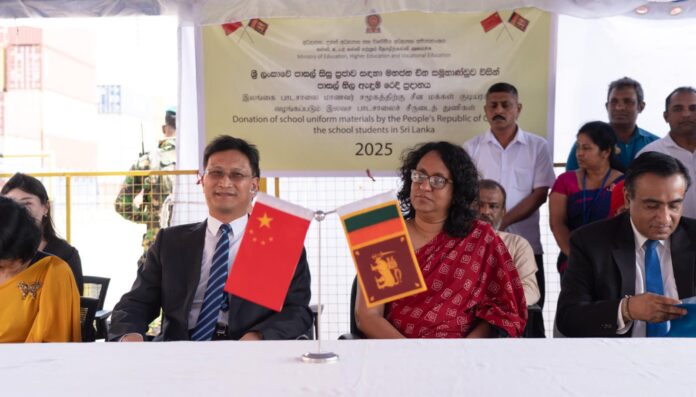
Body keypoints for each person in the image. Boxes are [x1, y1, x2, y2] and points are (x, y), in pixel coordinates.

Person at [109, 135, 312, 341]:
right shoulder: (170, 242)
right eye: (215, 173)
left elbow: (297, 311)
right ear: (202, 180)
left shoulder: (279, 243)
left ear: (254, 185)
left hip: (248, 355)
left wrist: (258, 337)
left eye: (237, 175)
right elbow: (135, 303)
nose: (225, 182)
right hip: (180, 353)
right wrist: (129, 335)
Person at [355, 142, 527, 338]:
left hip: (464, 357)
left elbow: (500, 310)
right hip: (399, 354)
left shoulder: (479, 237)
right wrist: (413, 355)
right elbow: (368, 316)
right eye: (419, 176)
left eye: (438, 180)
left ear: (457, 191)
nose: (424, 186)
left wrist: (465, 351)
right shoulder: (386, 235)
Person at [557, 152, 693, 337]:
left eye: (674, 206)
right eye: (652, 206)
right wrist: (626, 310)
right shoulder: (590, 242)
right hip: (617, 358)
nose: (664, 218)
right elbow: (569, 318)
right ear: (628, 198)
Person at [464, 82, 556, 310]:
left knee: (530, 311)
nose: (499, 111)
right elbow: (466, 196)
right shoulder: (471, 148)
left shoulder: (537, 146)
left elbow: (540, 194)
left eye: (506, 105)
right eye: (493, 106)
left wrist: (500, 223)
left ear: (518, 108)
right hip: (478, 250)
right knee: (479, 309)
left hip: (527, 246)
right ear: (485, 111)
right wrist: (488, 226)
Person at [0, 196, 81, 342]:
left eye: (9, 262)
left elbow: (47, 342)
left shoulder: (53, 272)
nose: (5, 269)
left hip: (25, 362)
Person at [549, 121, 625, 275]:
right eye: (578, 147)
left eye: (586, 148)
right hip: (573, 261)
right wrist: (575, 256)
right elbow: (557, 223)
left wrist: (603, 261)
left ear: (605, 152)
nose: (579, 153)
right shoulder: (565, 181)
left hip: (612, 262)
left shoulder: (624, 184)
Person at [114, 108, 177, 267]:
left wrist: (151, 218)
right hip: (194, 248)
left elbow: (122, 204)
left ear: (165, 128)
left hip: (156, 246)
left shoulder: (148, 160)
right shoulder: (202, 160)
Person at [1, 173, 83, 294]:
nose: (19, 211)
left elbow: (75, 304)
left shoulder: (65, 256)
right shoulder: (3, 251)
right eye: (12, 204)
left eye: (27, 204)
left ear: (45, 207)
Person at [565, 77, 658, 171]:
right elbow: (569, 181)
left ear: (641, 106)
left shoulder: (655, 144)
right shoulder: (585, 143)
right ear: (607, 106)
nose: (619, 107)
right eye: (614, 101)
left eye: (627, 101)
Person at [476, 179, 540, 306]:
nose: (485, 211)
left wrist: (493, 306)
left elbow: (530, 290)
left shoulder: (518, 245)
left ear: (503, 212)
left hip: (501, 317)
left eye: (493, 206)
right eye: (479, 205)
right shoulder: (452, 243)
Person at [637, 87, 696, 218]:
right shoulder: (650, 154)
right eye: (678, 109)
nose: (686, 114)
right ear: (666, 116)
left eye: (693, 108)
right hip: (669, 235)